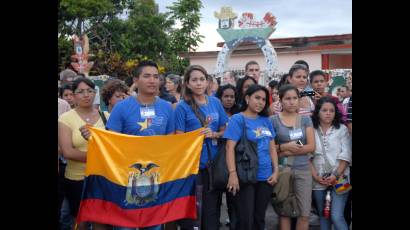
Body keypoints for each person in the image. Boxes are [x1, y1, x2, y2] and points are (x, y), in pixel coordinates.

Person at [81, 61, 174, 230]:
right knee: (125, 226)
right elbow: (110, 142)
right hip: (125, 178)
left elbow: (172, 142)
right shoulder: (121, 108)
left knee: (153, 225)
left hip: (156, 177)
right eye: (146, 76)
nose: (152, 80)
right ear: (136, 80)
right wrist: (94, 138)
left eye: (155, 76)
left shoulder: (167, 108)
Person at [175, 65, 229, 229]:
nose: (198, 83)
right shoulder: (182, 107)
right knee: (194, 210)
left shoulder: (215, 102)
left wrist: (214, 135)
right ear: (188, 84)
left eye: (202, 79)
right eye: (194, 80)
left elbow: (225, 129)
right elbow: (178, 138)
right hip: (192, 167)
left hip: (213, 165)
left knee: (212, 211)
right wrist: (197, 134)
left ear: (207, 82)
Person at [224, 84, 279, 230]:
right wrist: (232, 174)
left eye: (263, 99)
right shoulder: (238, 119)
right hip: (245, 176)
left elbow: (272, 148)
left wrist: (276, 171)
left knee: (259, 218)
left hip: (266, 176)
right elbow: (229, 148)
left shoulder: (266, 120)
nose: (260, 102)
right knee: (245, 219)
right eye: (257, 98)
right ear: (247, 98)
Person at [58, 78, 109, 230]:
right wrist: (98, 155)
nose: (86, 95)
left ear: (95, 94)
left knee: (102, 220)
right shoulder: (65, 119)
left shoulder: (106, 116)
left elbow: (113, 147)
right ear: (73, 96)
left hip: (102, 177)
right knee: (81, 221)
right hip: (77, 179)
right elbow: (68, 152)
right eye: (80, 92)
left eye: (90, 91)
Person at [270, 84, 315, 230]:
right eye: (287, 98)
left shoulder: (305, 120)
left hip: (303, 170)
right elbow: (269, 149)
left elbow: (311, 147)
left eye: (295, 98)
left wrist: (284, 151)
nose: (292, 102)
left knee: (305, 213)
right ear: (280, 101)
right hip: (283, 171)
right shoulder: (273, 120)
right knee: (284, 212)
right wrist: (284, 147)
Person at [310, 97, 352, 230]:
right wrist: (315, 176)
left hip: (341, 178)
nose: (328, 113)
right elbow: (306, 155)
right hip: (318, 180)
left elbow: (346, 155)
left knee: (336, 215)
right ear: (317, 112)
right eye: (324, 110)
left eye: (331, 111)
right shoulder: (310, 130)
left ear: (336, 113)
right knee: (324, 216)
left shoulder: (342, 130)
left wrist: (335, 175)